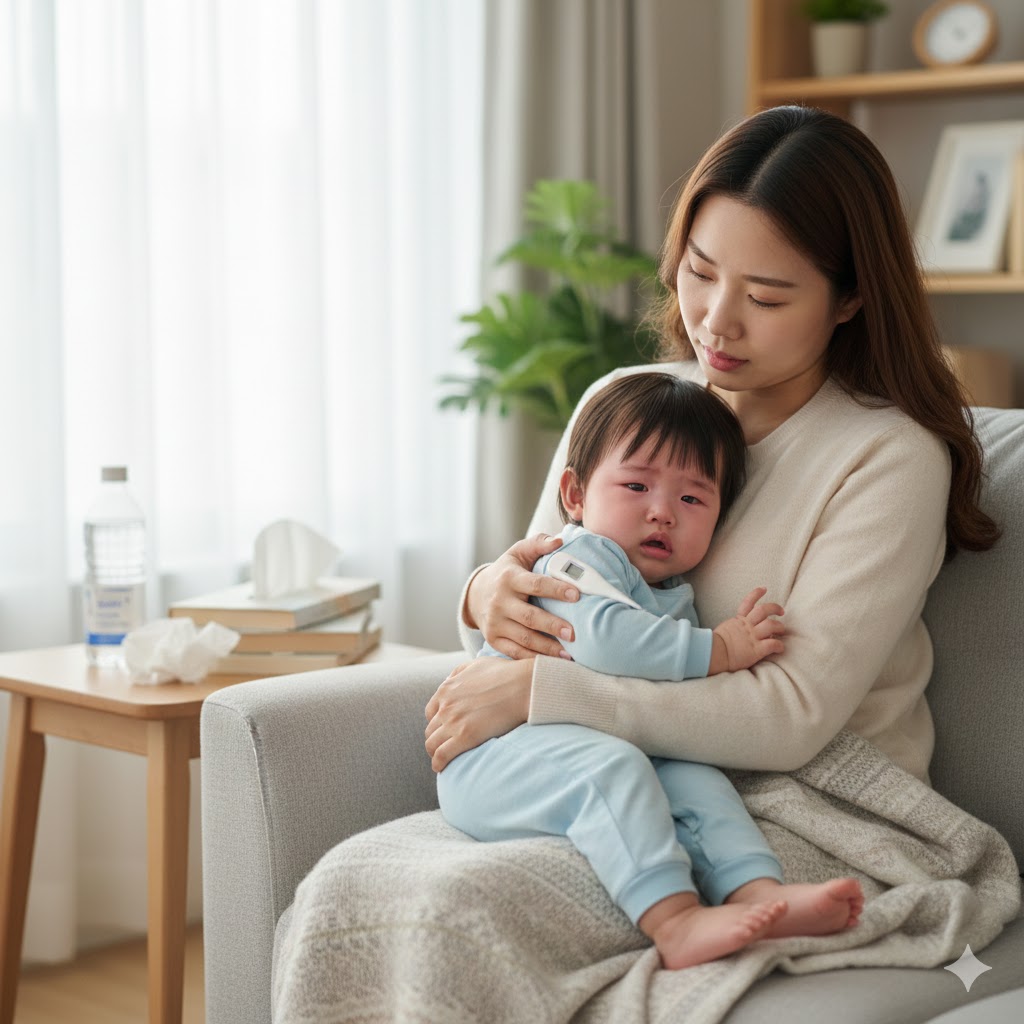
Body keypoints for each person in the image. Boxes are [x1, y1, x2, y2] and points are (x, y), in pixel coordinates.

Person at [426, 104, 998, 836]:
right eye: (699, 272)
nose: (717, 320)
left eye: (766, 296)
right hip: (607, 778)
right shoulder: (621, 403)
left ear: (851, 297)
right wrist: (483, 596)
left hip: (814, 811)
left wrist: (550, 692)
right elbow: (531, 628)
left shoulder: (889, 459)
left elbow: (789, 717)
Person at [437, 372, 864, 969]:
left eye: (692, 499)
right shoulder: (575, 558)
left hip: (582, 741)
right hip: (496, 755)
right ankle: (676, 921)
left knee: (697, 779)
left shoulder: (669, 595)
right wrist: (717, 651)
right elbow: (607, 640)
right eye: (636, 485)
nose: (662, 512)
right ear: (576, 495)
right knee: (613, 768)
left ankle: (759, 895)